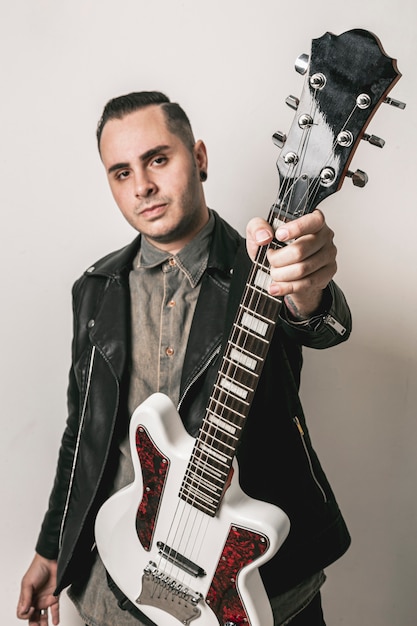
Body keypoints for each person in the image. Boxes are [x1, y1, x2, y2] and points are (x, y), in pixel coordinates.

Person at [17, 91, 351, 626]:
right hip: (122, 584)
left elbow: (321, 323)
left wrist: (307, 289)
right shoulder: (96, 289)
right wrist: (52, 547)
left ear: (198, 156)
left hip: (258, 591)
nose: (142, 186)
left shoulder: (263, 267)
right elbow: (82, 430)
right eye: (120, 173)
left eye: (157, 159)